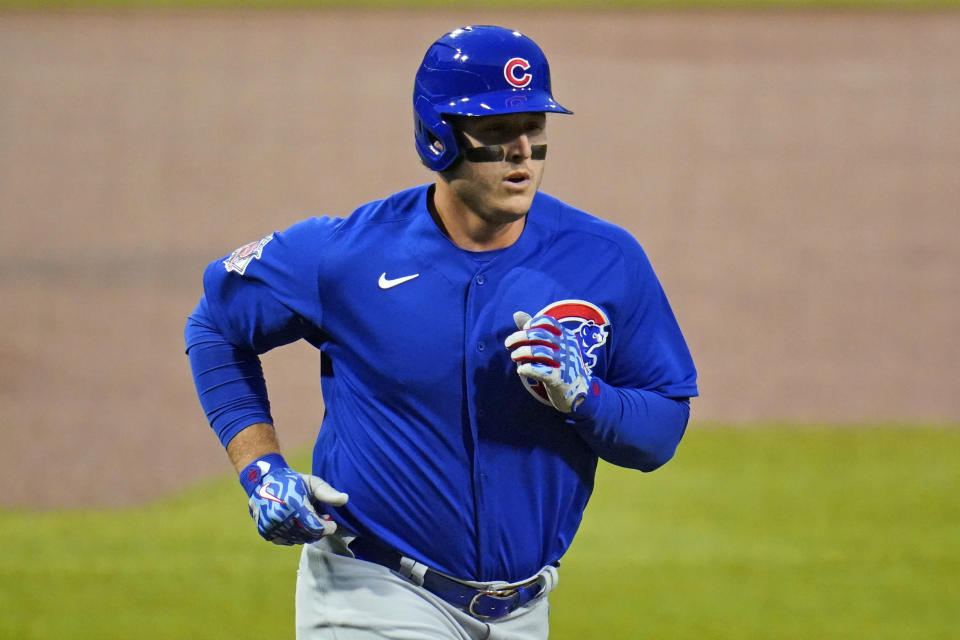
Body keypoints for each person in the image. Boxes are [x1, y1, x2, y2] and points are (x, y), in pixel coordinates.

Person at [185, 25, 697, 640]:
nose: (523, 153)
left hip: (524, 611)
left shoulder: (605, 259)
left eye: (535, 128)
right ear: (437, 138)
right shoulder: (346, 254)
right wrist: (260, 468)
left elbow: (661, 429)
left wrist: (586, 398)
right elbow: (215, 325)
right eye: (498, 132)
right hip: (372, 593)